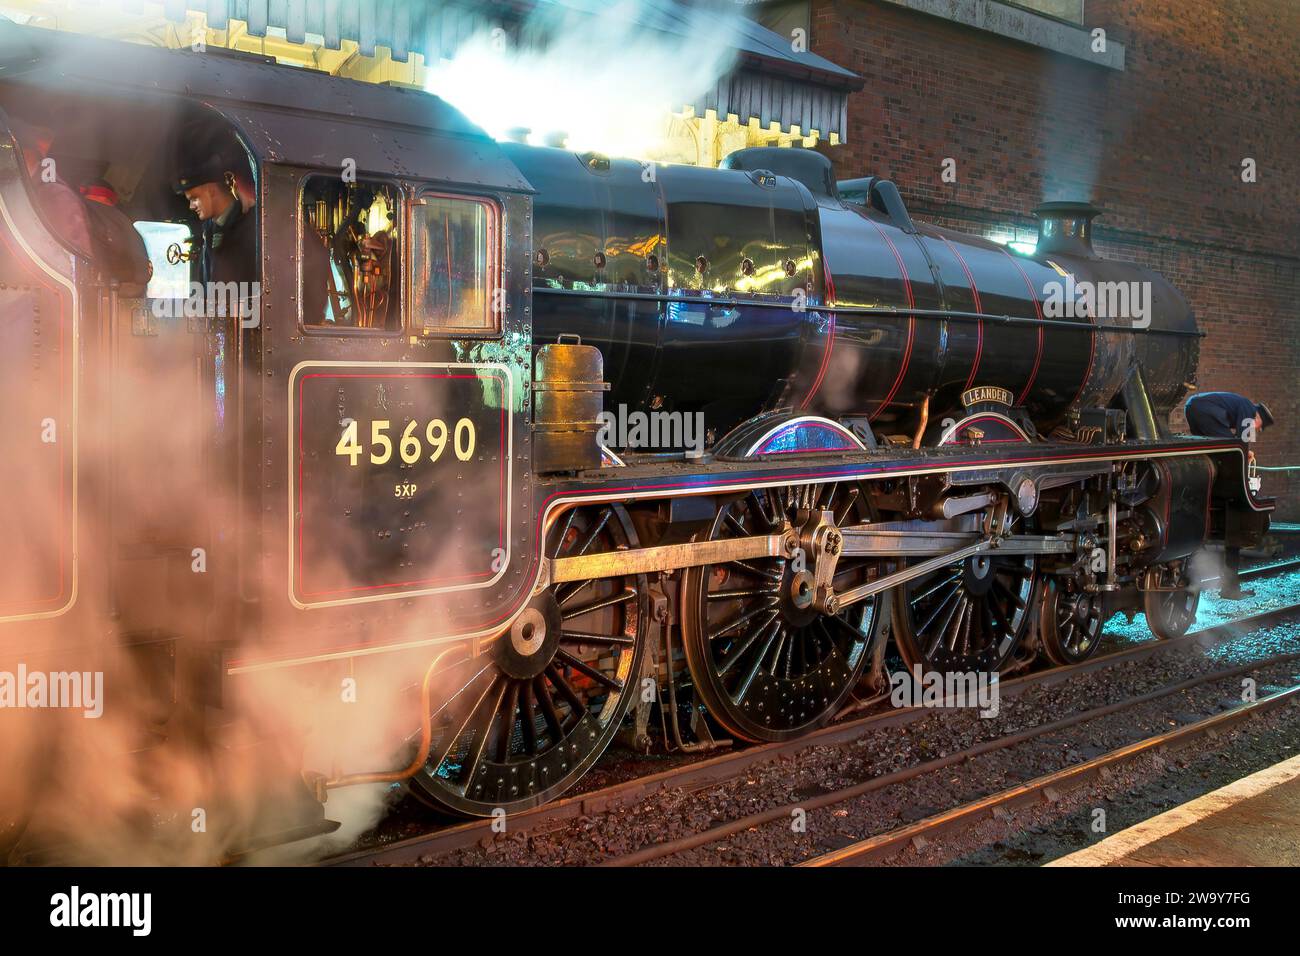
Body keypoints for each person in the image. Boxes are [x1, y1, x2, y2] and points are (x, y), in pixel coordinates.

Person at [1183, 391, 1274, 600]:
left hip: (1193, 408)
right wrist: (1245, 454)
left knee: (1209, 445)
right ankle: (1232, 481)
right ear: (1258, 416)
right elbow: (1243, 440)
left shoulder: (1236, 405)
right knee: (1231, 446)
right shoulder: (1248, 409)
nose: (1257, 429)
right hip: (1207, 411)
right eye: (1260, 426)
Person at [171, 124, 257, 320]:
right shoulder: (211, 231)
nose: (192, 206)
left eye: (194, 198)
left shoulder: (252, 228)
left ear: (211, 191)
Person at [78, 177, 151, 297]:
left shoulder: (85, 214)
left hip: (104, 295)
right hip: (124, 295)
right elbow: (142, 273)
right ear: (109, 198)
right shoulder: (122, 221)